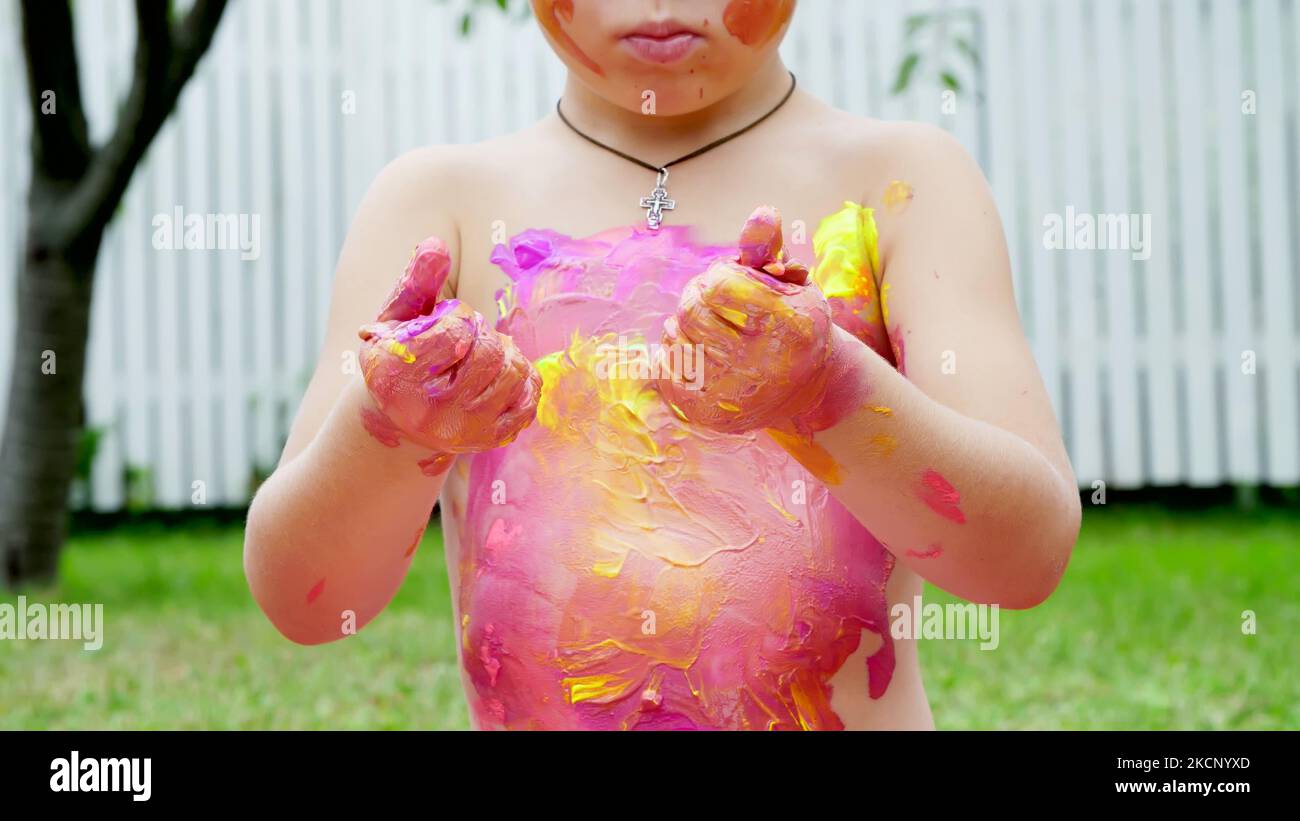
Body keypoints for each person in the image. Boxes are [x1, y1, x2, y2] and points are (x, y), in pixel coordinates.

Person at [243, 0, 1081, 730]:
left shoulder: (901, 182)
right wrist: (389, 431)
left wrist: (827, 390)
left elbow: (1026, 555)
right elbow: (303, 596)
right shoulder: (441, 203)